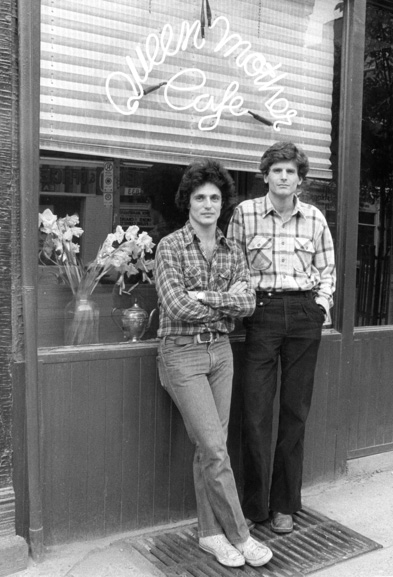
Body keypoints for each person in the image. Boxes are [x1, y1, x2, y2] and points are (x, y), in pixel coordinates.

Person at [154, 159, 273, 568]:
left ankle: (210, 534)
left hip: (220, 353)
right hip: (181, 353)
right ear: (187, 202)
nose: (207, 204)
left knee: (211, 449)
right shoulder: (168, 246)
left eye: (215, 197)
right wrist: (221, 301)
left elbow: (248, 304)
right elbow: (174, 303)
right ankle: (240, 535)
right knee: (214, 446)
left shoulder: (232, 248)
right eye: (200, 197)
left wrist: (203, 297)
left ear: (223, 203)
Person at [227, 141, 336, 534]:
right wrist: (246, 306)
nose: (284, 177)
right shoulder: (245, 214)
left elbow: (328, 270)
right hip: (263, 312)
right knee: (255, 411)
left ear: (300, 179)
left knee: (295, 411)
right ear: (266, 175)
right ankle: (255, 506)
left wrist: (320, 307)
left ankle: (285, 505)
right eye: (277, 170)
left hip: (305, 314)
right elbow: (233, 266)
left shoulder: (315, 219)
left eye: (291, 171)